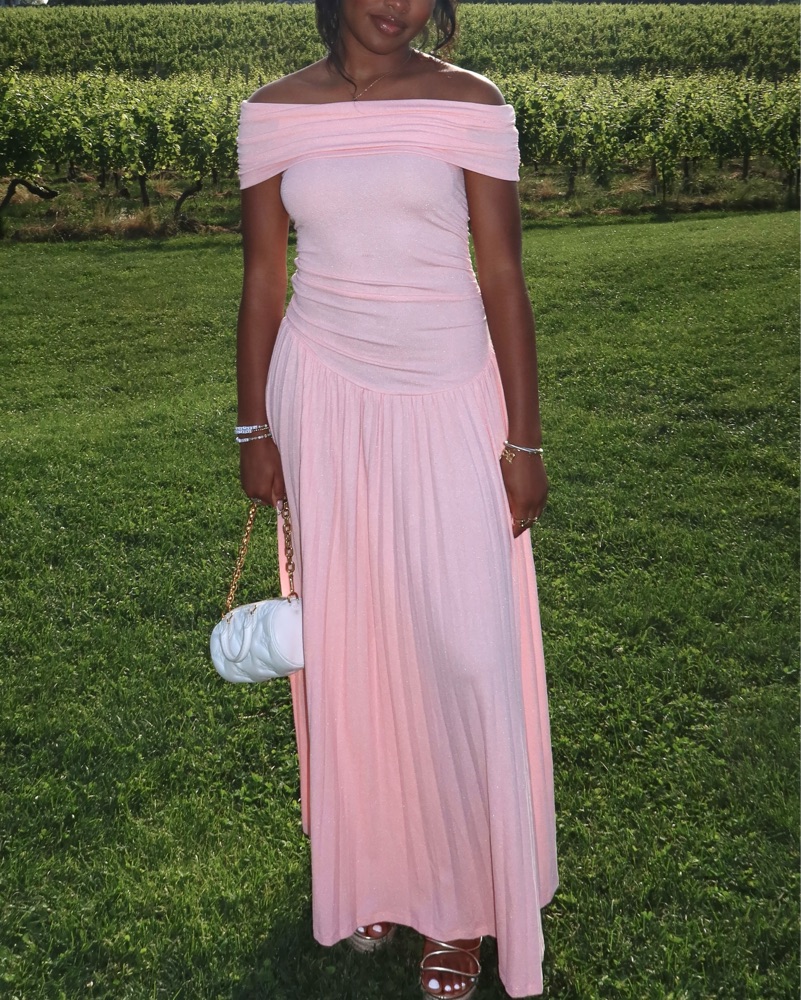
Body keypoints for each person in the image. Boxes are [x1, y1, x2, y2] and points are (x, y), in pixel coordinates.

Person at [234, 0, 558, 995]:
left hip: (448, 390)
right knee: (354, 645)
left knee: (464, 650)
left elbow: (503, 276)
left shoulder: (471, 103)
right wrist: (253, 426)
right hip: (323, 394)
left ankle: (462, 907)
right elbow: (263, 280)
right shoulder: (273, 112)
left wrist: (523, 439)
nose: (397, 4)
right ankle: (374, 868)